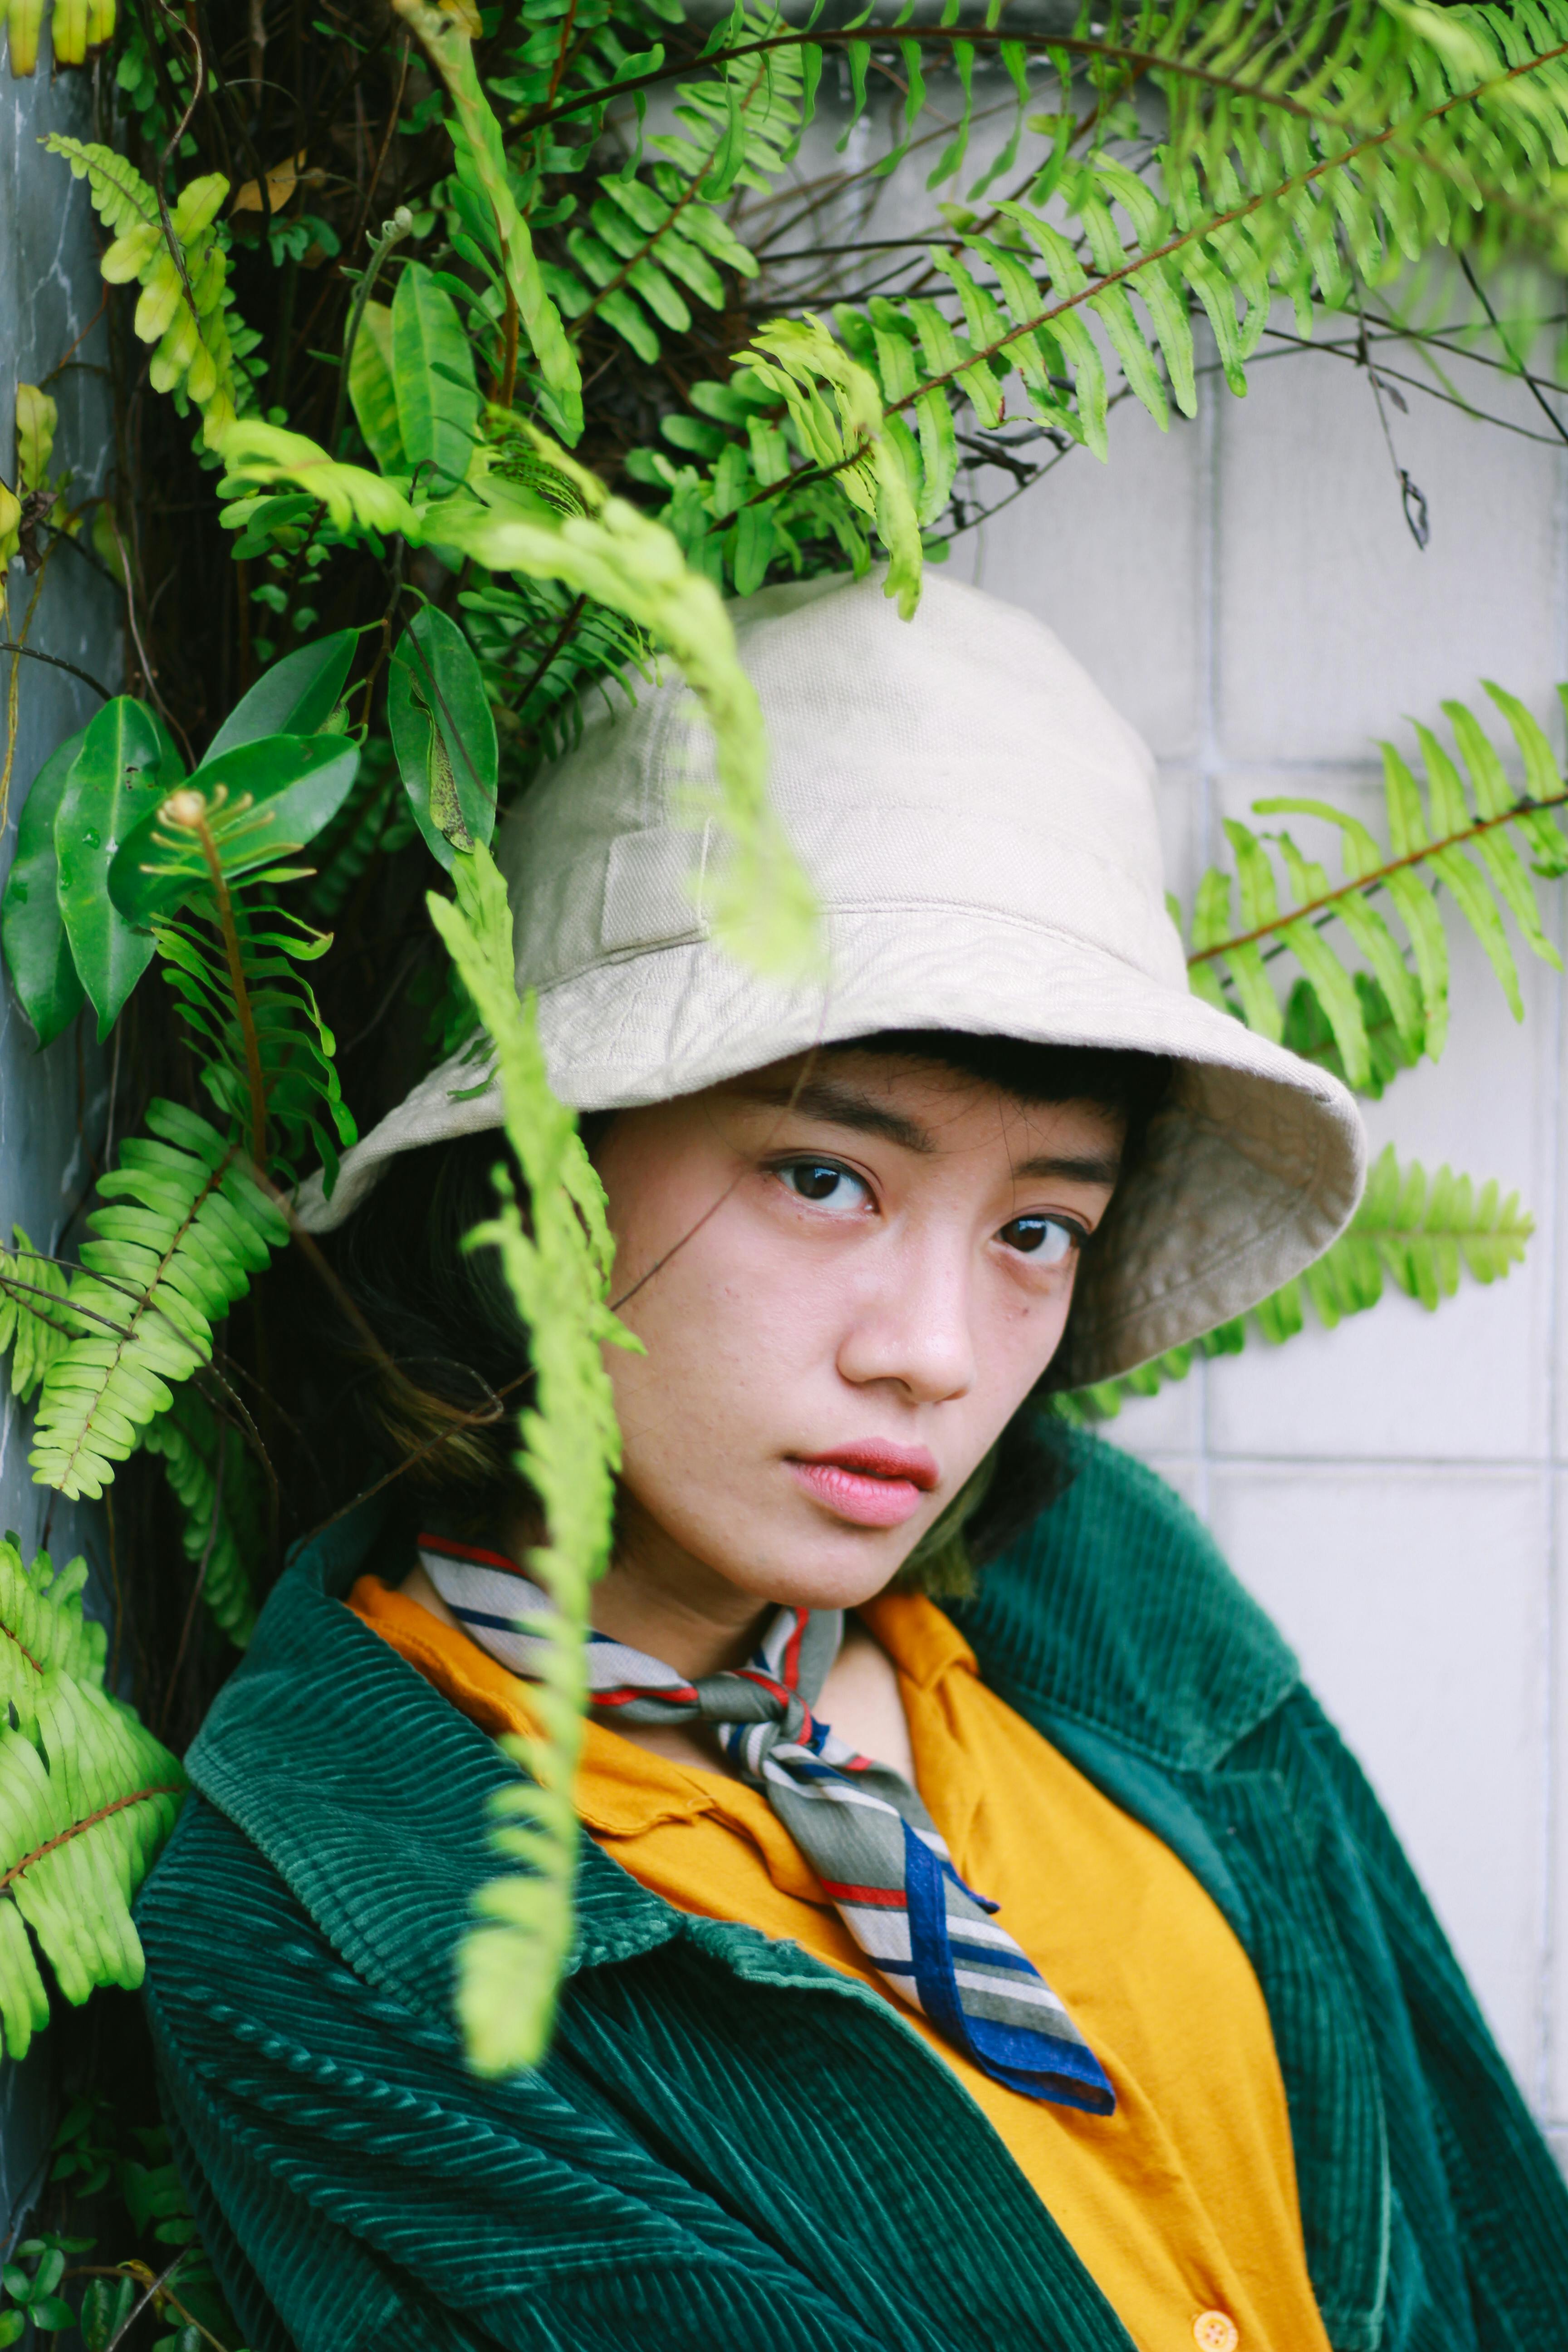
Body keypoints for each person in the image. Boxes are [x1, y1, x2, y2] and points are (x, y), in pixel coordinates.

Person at [137, 573, 1568, 2352]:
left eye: (1038, 1231)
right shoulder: (335, 1907)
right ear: (544, 1165)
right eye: (827, 1180)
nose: (939, 1353)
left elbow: (1488, 2217)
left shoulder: (1089, 1573)